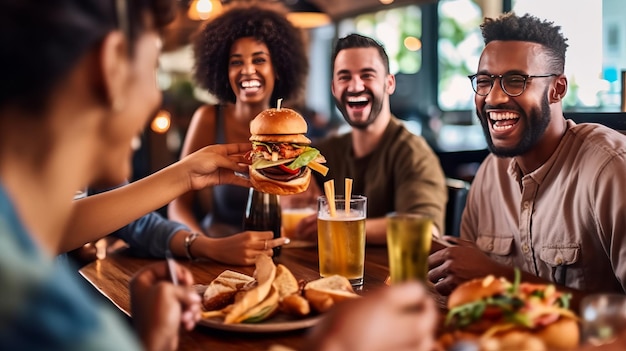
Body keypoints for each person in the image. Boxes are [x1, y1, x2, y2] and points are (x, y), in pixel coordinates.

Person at [0, 0, 259, 349]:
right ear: (112, 64)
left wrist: (185, 176)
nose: (155, 97)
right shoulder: (61, 326)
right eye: (153, 66)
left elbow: (51, 226)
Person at [428, 12, 626, 310]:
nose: (493, 97)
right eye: (484, 81)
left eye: (515, 80)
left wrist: (507, 283)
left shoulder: (610, 169)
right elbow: (467, 294)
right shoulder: (489, 172)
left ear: (557, 89)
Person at [168, 3, 308, 242]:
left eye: (259, 60)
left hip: (275, 250)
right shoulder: (209, 118)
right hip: (215, 247)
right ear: (224, 72)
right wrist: (204, 246)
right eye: (236, 62)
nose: (248, 70)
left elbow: (303, 204)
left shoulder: (290, 126)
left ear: (278, 69)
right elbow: (177, 206)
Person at [290, 34, 447, 244]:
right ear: (334, 89)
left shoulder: (412, 152)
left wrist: (340, 226)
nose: (355, 87)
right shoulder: (328, 152)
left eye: (367, 75)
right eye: (344, 77)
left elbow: (426, 230)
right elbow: (289, 172)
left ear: (389, 84)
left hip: (391, 277)